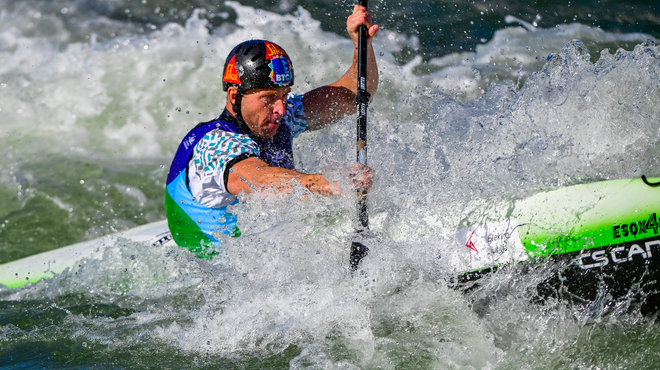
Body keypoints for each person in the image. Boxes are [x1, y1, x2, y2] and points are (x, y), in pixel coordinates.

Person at [165, 5, 379, 258]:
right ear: (235, 96)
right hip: (207, 269)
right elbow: (260, 179)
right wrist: (327, 182)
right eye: (268, 98)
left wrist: (360, 44)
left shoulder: (279, 116)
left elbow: (352, 96)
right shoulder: (215, 144)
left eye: (284, 95)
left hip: (254, 250)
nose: (280, 108)